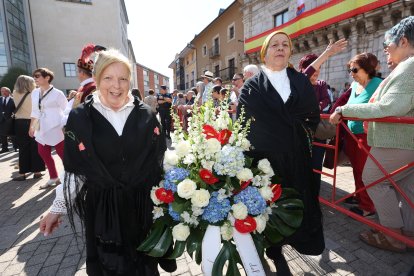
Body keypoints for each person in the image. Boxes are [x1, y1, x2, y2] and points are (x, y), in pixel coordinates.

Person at [39, 49, 176, 275]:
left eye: (123, 78)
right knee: (110, 267)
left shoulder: (147, 114)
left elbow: (160, 161)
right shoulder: (81, 117)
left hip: (143, 207)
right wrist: (57, 208)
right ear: (97, 78)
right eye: (108, 78)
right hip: (104, 210)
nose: (117, 85)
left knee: (146, 267)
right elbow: (76, 171)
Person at [237, 31, 324, 275]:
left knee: (296, 203)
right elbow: (242, 123)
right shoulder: (252, 85)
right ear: (265, 52)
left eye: (285, 44)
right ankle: (273, 251)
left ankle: (287, 246)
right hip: (264, 161)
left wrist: (291, 128)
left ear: (290, 51)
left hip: (295, 157)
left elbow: (311, 116)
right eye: (274, 44)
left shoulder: (300, 81)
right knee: (267, 207)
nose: (280, 48)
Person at [330, 16, 414, 252]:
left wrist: (344, 110)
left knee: (373, 180)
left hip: (397, 141)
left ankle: (393, 236)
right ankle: (408, 233)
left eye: (389, 46)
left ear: (404, 41)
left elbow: (390, 107)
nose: (387, 51)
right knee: (407, 187)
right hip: (406, 141)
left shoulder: (409, 66)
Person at [341, 53, 383, 218]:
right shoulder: (354, 85)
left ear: (367, 69)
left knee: (364, 171)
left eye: (354, 69)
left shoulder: (379, 84)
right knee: (356, 170)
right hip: (352, 135)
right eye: (350, 70)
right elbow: (346, 105)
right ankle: (360, 197)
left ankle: (367, 207)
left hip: (366, 136)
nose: (351, 73)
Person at [29, 68, 67, 189]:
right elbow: (34, 111)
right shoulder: (34, 93)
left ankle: (71, 177)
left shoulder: (58, 93)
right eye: (34, 76)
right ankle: (53, 177)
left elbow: (67, 111)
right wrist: (31, 126)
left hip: (56, 127)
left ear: (47, 78)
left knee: (63, 155)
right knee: (43, 152)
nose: (35, 78)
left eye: (38, 76)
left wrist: (65, 127)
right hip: (41, 127)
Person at [11, 76, 45, 181]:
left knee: (23, 148)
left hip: (19, 122)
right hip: (33, 121)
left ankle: (22, 173)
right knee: (35, 146)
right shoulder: (35, 93)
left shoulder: (15, 93)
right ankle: (37, 172)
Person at [0, 87, 16, 153]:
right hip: (1, 119)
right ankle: (4, 148)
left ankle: (15, 147)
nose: (3, 92)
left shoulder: (13, 100)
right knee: (2, 134)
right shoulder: (0, 99)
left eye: (5, 91)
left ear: (9, 92)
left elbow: (16, 109)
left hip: (10, 120)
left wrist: (12, 117)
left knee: (12, 134)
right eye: (2, 91)